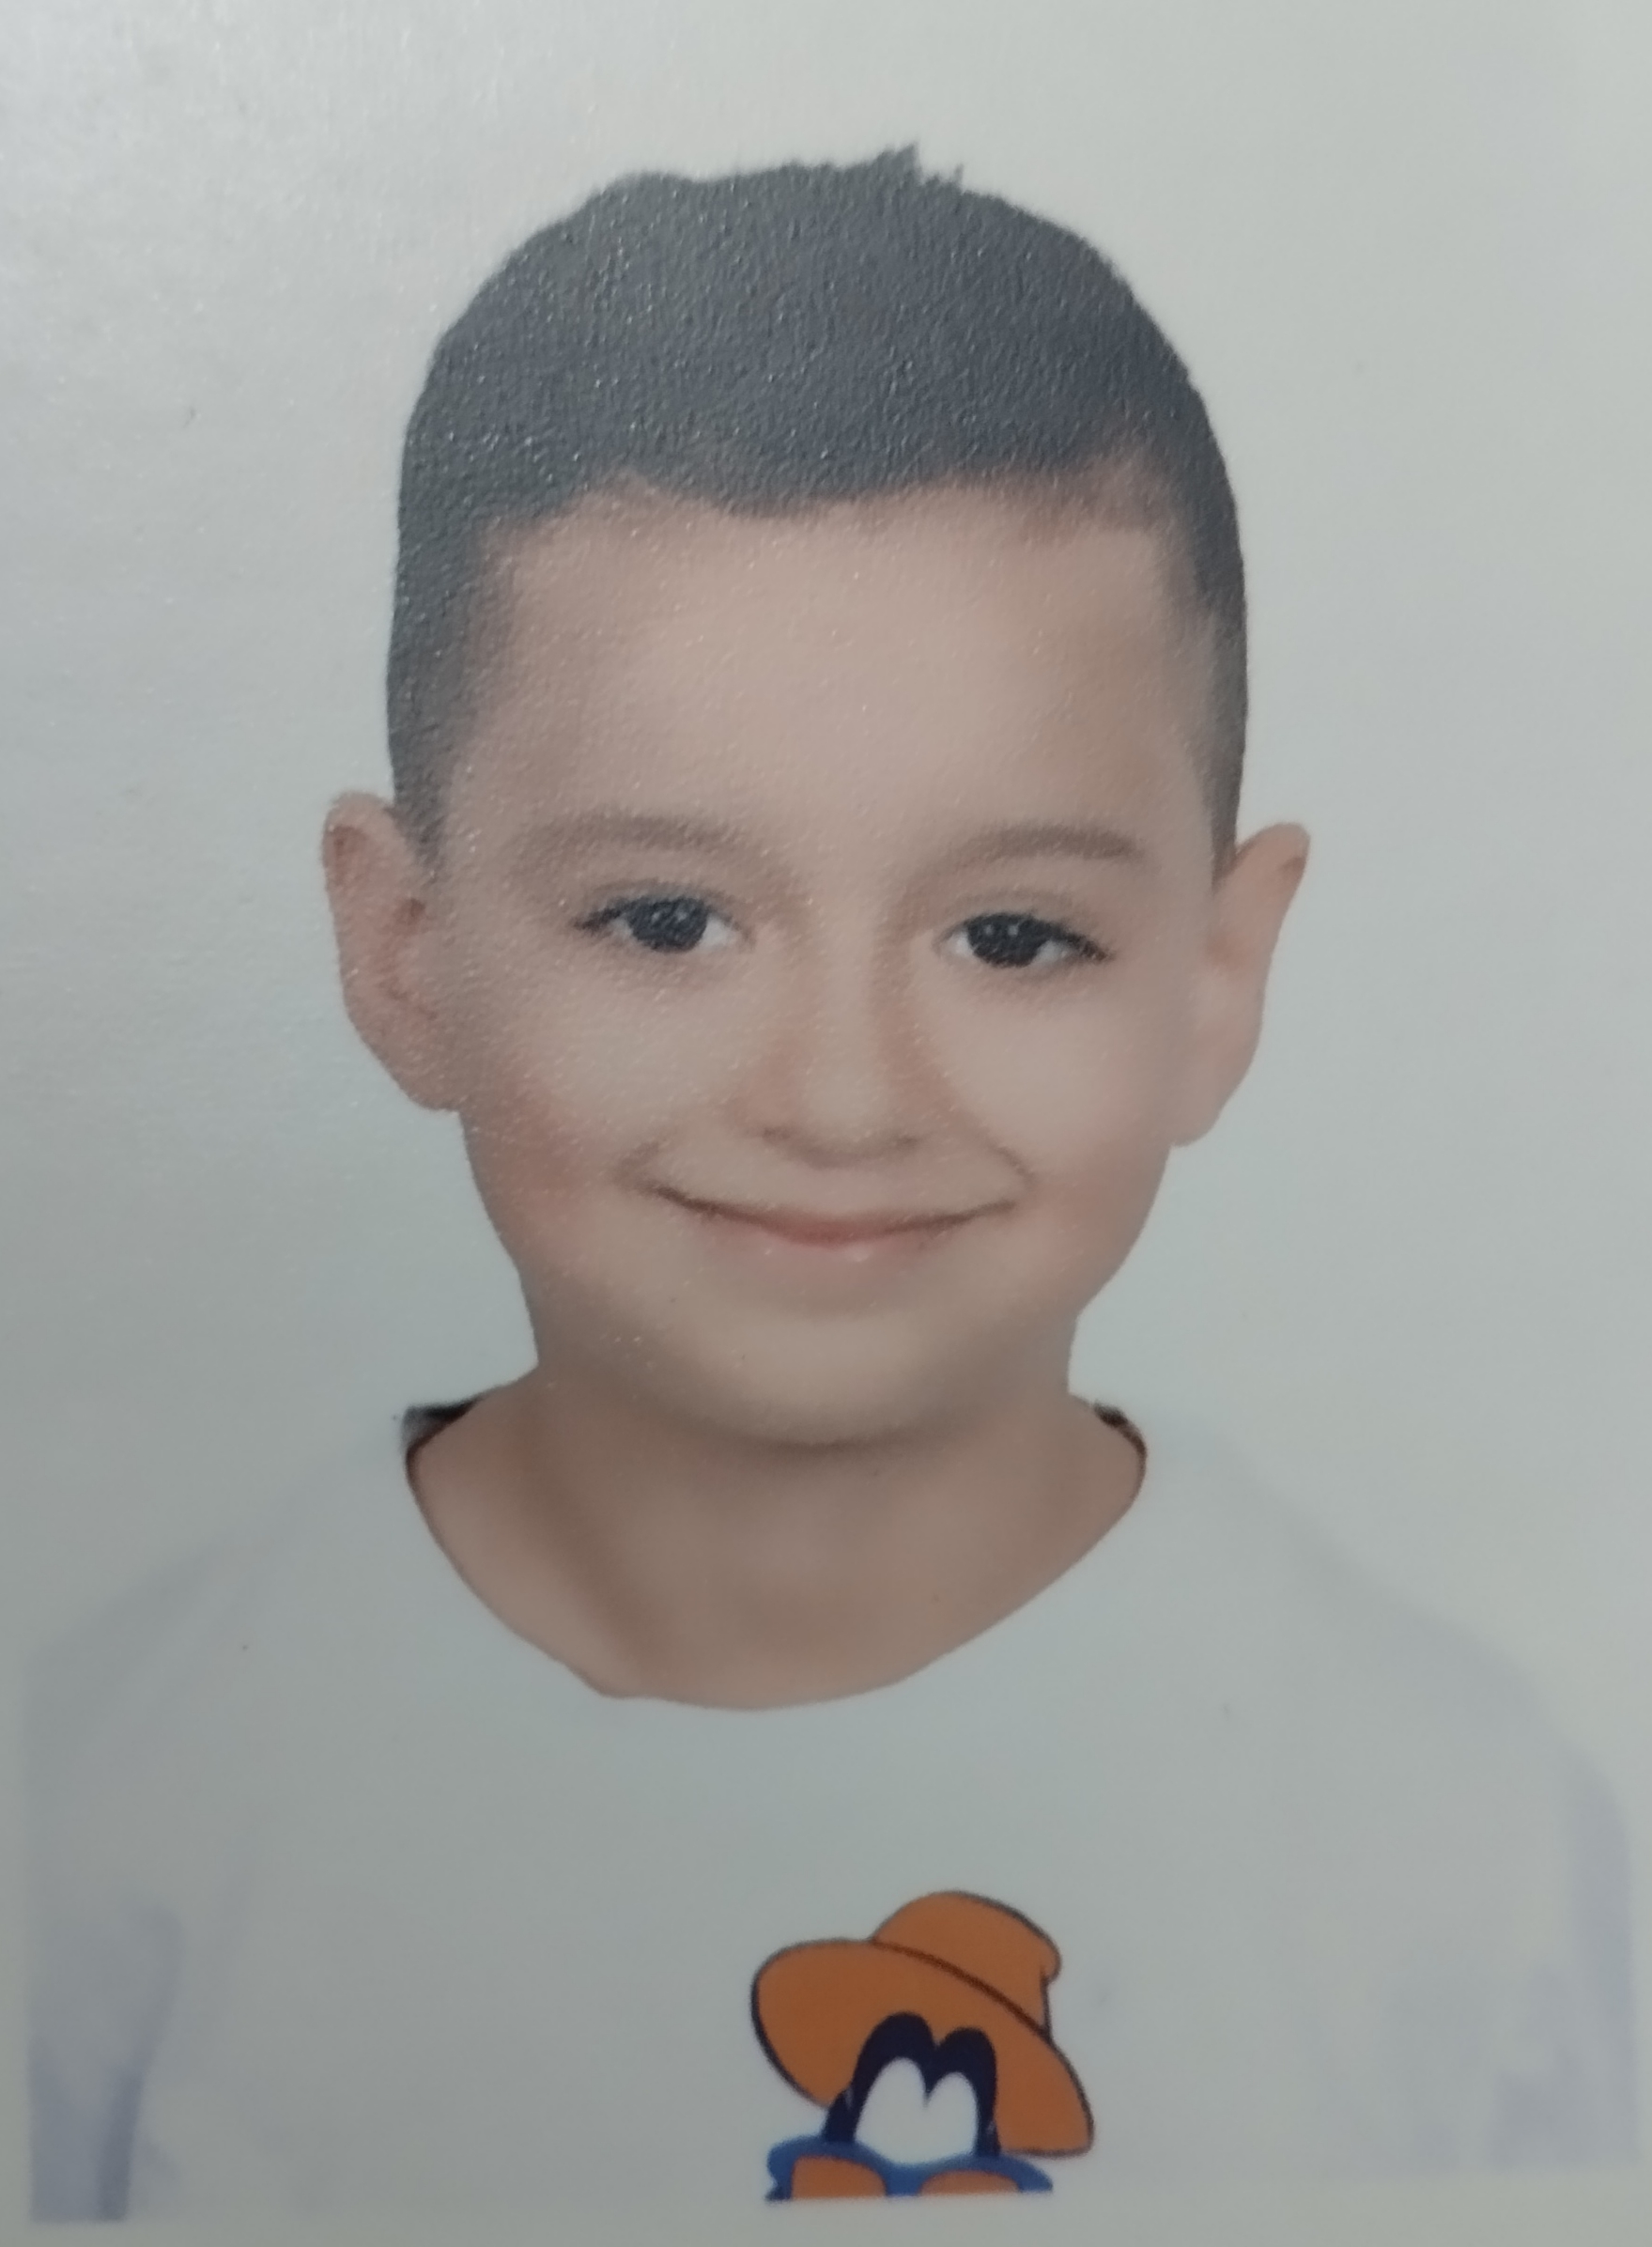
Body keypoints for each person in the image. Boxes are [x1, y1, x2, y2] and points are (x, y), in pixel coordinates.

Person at [27, 151, 1634, 2219]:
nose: (845, 1096)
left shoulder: (1473, 1865)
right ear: (406, 952)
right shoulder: (98, 1829)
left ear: (1215, 983)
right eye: (666, 919)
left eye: (1012, 936)